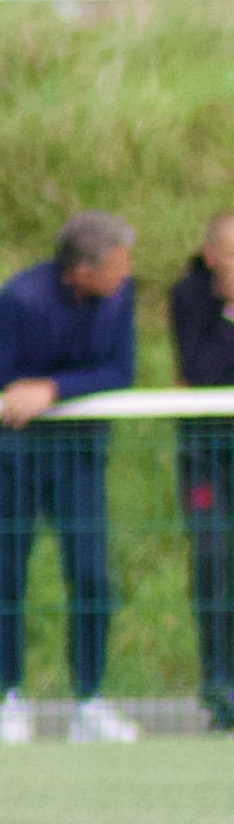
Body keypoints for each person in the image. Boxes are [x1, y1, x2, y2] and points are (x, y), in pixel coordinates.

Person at [0, 214, 147, 744]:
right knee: (8, 572)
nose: (127, 273)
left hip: (78, 455)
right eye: (117, 264)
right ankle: (10, 698)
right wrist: (28, 393)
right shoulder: (19, 299)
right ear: (82, 270)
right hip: (11, 456)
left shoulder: (120, 297)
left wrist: (53, 389)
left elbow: (119, 371)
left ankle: (89, 700)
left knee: (91, 574)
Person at [175, 212, 234, 734]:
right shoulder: (190, 297)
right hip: (207, 456)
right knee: (214, 560)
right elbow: (203, 370)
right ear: (213, 255)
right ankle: (220, 684)